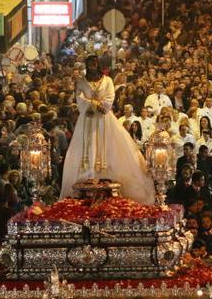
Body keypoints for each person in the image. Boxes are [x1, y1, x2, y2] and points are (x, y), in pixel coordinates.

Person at [59, 55, 156, 204]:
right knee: (88, 145)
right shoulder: (81, 82)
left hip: (104, 118)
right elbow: (79, 99)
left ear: (98, 64)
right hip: (88, 119)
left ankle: (107, 175)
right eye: (89, 62)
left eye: (94, 62)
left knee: (110, 146)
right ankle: (89, 175)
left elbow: (110, 97)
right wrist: (92, 105)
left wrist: (100, 105)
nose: (92, 65)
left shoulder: (108, 80)